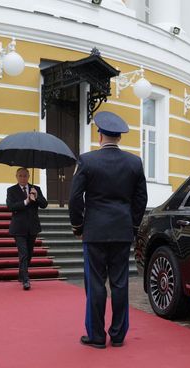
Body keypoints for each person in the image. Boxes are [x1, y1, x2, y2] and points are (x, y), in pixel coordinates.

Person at [69, 111, 148, 349]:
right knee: (120, 283)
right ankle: (118, 335)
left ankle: (96, 336)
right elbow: (141, 199)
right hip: (122, 231)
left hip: (94, 232)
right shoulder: (134, 162)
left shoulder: (87, 160)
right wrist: (132, 225)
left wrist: (78, 226)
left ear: (100, 135)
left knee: (95, 283)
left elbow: (75, 198)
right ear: (119, 138)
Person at [6, 167, 48, 290]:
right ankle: (26, 279)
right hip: (18, 228)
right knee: (23, 253)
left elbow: (44, 205)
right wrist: (26, 201)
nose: (23, 178)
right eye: (20, 176)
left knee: (29, 254)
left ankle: (21, 274)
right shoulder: (11, 190)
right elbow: (10, 206)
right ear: (16, 176)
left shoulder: (36, 189)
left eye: (25, 176)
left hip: (32, 227)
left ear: (29, 177)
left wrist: (36, 196)